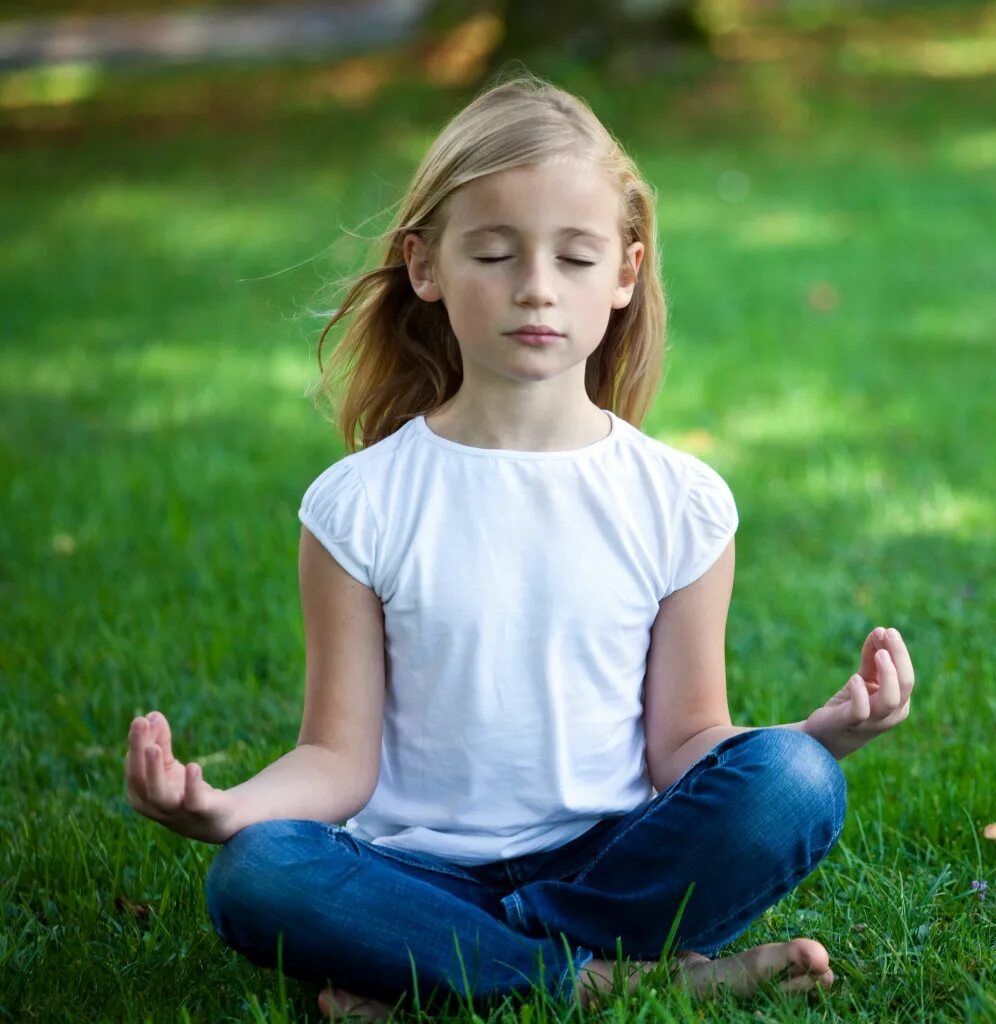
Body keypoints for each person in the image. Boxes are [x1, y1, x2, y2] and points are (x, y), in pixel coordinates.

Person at [122, 69, 916, 1020]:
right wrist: (226, 809)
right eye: (495, 253)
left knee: (793, 782)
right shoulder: (358, 505)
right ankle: (594, 981)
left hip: (614, 865)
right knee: (257, 874)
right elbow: (337, 759)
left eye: (575, 260)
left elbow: (687, 745)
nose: (536, 288)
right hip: (416, 875)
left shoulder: (681, 502)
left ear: (625, 273)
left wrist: (822, 734)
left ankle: (444, 976)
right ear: (425, 266)